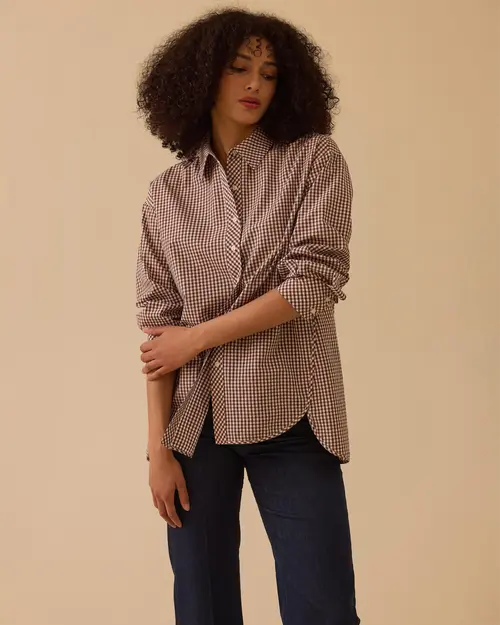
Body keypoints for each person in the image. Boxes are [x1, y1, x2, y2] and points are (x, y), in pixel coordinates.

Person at [134, 7, 360, 625]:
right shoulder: (166, 194)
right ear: (202, 76)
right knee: (201, 607)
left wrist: (196, 339)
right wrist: (158, 450)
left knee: (322, 606)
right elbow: (159, 333)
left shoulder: (313, 160)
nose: (255, 83)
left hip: (291, 409)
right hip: (195, 424)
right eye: (239, 68)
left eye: (270, 72)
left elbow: (314, 281)